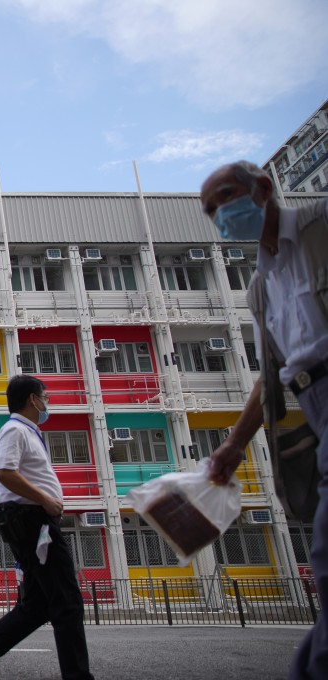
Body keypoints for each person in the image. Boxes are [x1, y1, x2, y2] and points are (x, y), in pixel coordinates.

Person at [199, 160, 328, 679]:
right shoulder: (258, 287)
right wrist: (232, 447)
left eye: (225, 198)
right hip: (314, 405)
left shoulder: (321, 226)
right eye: (210, 210)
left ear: (264, 189)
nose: (220, 215)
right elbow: (269, 377)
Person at [0, 375, 94, 680]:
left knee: (38, 605)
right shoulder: (15, 430)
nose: (47, 402)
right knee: (67, 602)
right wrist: (46, 500)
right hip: (34, 521)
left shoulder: (28, 431)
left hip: (35, 519)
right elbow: (4, 472)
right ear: (32, 399)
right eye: (46, 397)